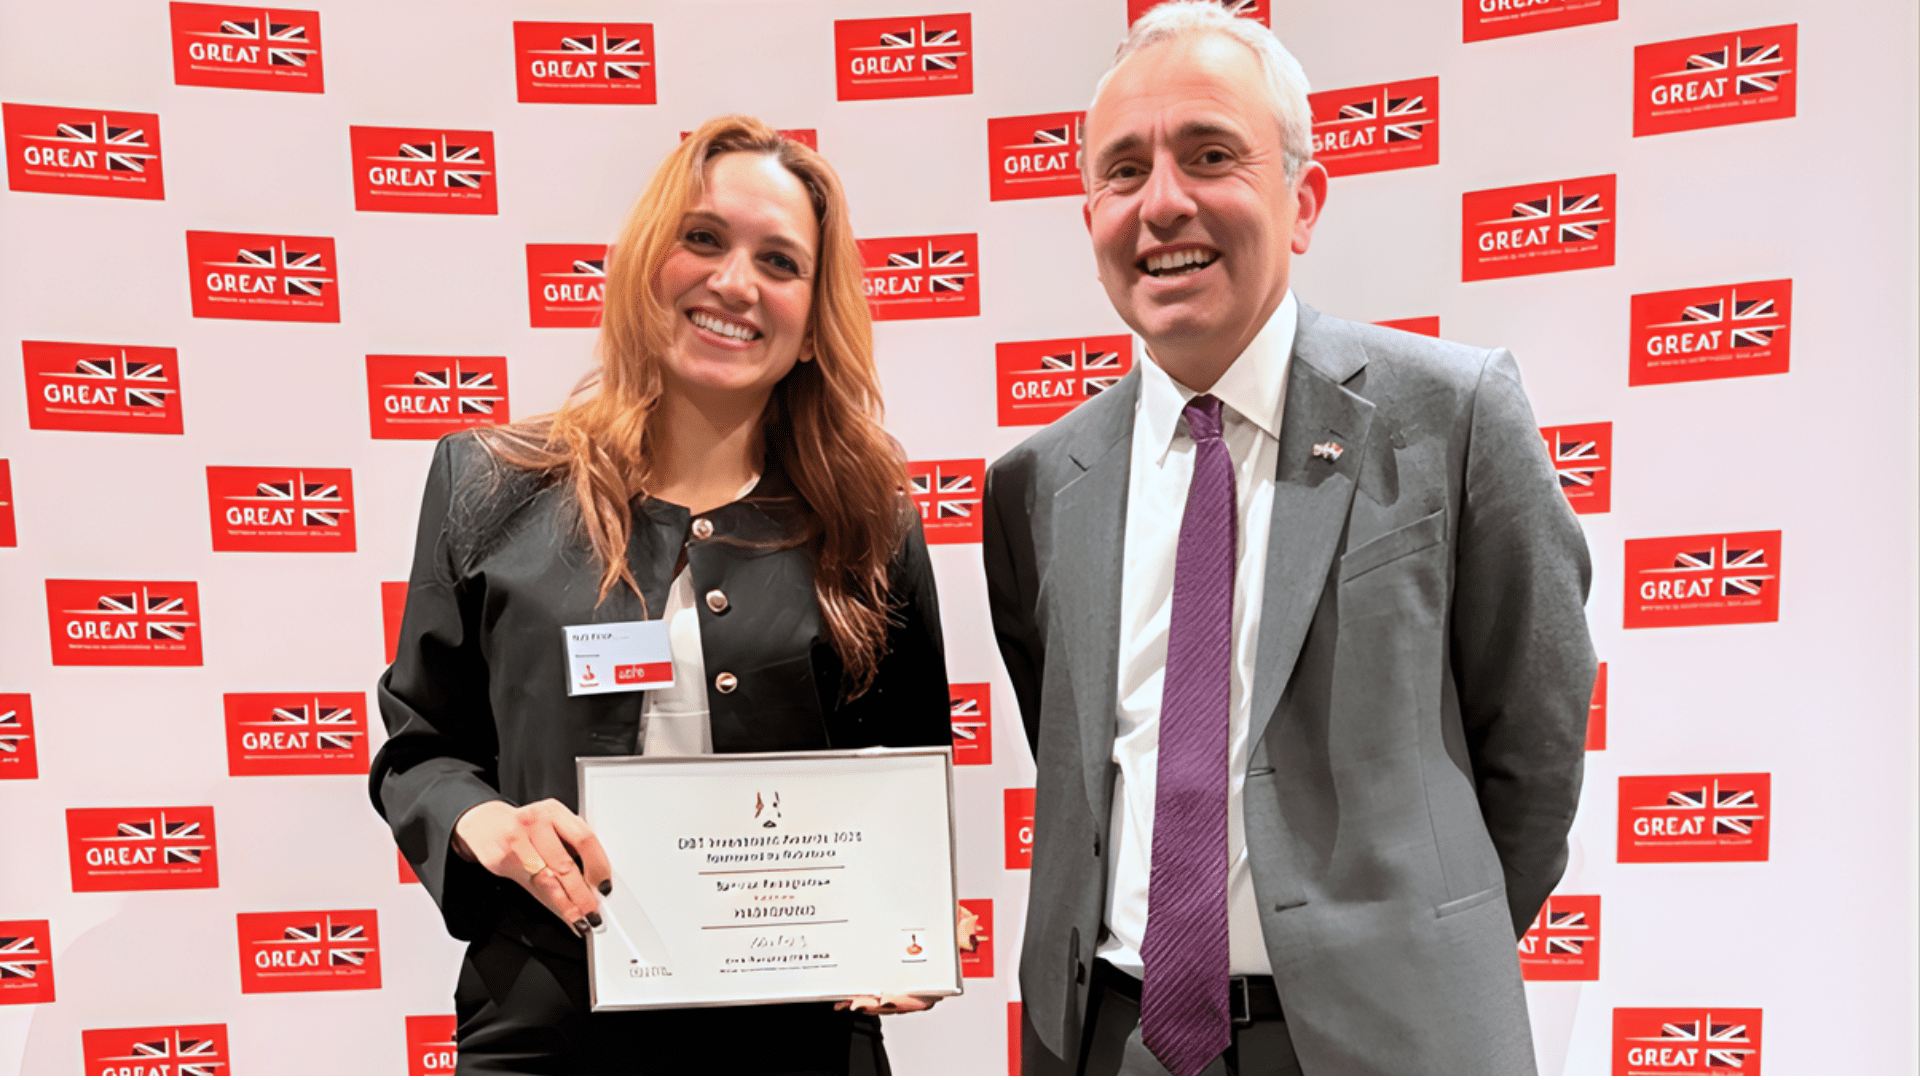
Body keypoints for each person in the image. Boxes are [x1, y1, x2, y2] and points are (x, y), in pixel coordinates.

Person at [983, 5, 1595, 1075]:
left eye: (1210, 155)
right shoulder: (1037, 485)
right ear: (1090, 218)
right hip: (1116, 1043)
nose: (1163, 202)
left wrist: (1412, 952)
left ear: (1302, 200)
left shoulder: (1455, 416)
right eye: (1123, 172)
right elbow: (1076, 757)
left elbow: (1533, 749)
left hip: (1395, 1044)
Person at [370, 115, 950, 1076]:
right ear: (647, 265)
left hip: (801, 1038)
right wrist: (488, 824)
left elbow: (903, 774)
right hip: (546, 1023)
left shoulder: (868, 522)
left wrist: (908, 924)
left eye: (780, 262)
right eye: (705, 239)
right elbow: (419, 750)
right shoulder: (486, 483)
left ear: (813, 326)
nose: (734, 283)